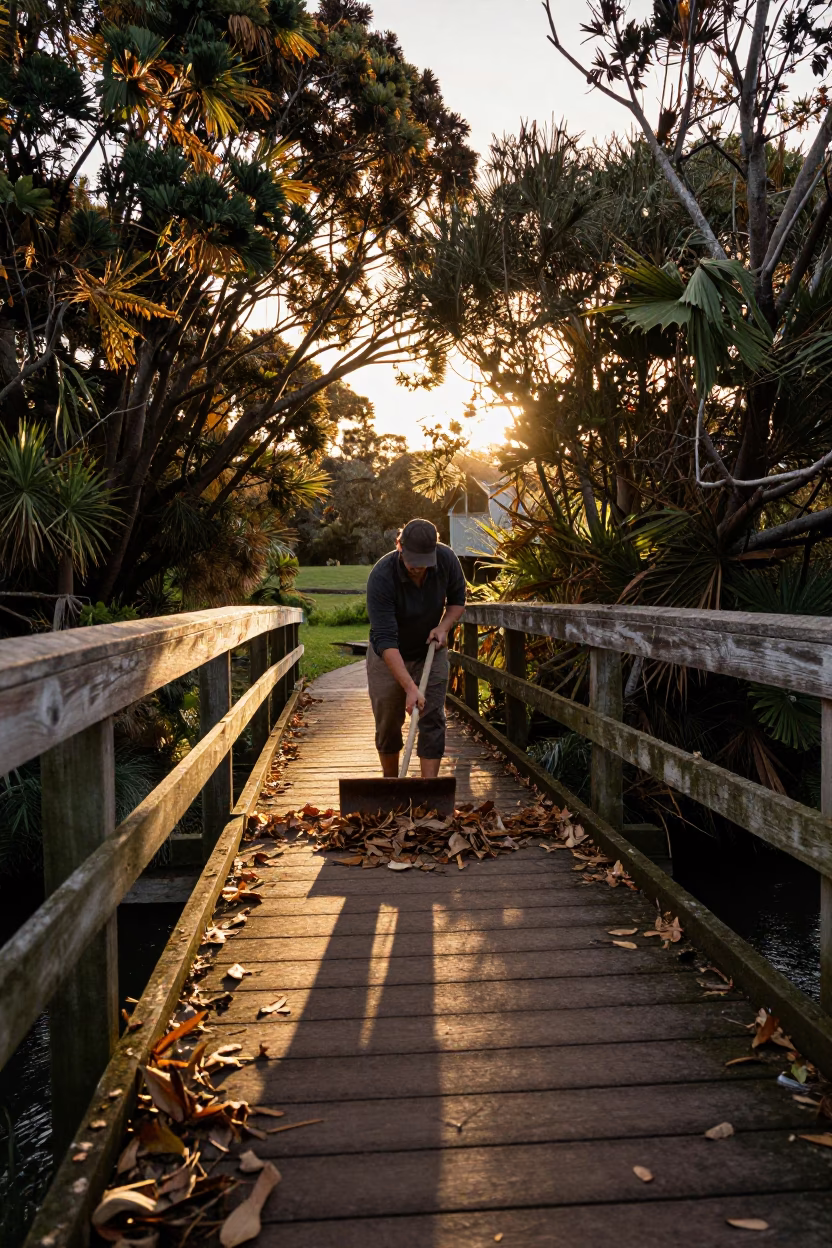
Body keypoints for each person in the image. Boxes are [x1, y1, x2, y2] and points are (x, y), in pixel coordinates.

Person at [365, 518, 466, 778]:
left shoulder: (447, 560)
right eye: (412, 560)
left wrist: (443, 627)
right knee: (388, 722)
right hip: (388, 656)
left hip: (429, 652)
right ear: (399, 546)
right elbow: (385, 639)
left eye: (424, 561)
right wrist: (410, 687)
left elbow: (457, 601)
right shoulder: (381, 576)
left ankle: (428, 791)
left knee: (432, 718)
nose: (418, 568)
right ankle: (391, 785)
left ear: (434, 550)